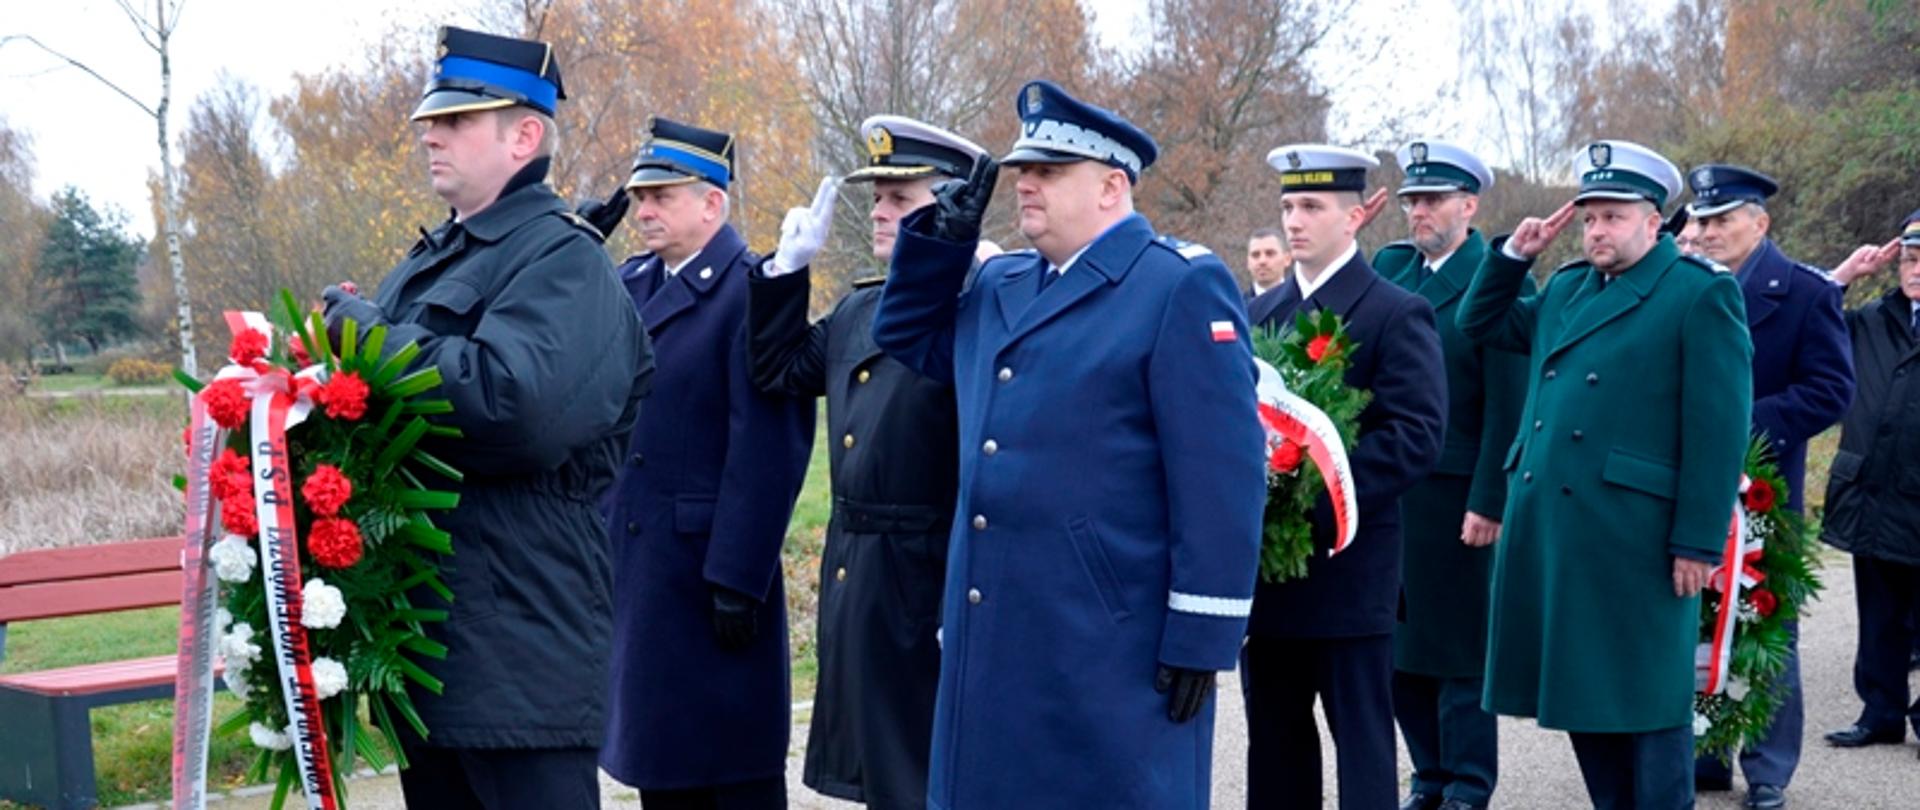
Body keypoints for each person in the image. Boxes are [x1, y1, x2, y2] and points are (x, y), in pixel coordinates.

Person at [870, 79, 1264, 809]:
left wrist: (1203, 635)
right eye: (1023, 171)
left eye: (1048, 172)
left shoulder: (1176, 286)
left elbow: (1221, 479)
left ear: (1112, 187)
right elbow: (909, 341)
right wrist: (936, 247)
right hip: (997, 625)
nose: (1025, 185)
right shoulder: (1002, 284)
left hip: (1104, 638)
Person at [319, 25, 652, 807]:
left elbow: (515, 406)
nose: (430, 133)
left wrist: (363, 334)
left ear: (524, 135)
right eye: (431, 120)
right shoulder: (433, 260)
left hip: (518, 646)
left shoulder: (563, 261)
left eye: (456, 119)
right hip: (428, 644)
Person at [1458, 140, 1752, 810]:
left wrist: (1699, 540)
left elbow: (1718, 430)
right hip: (1558, 533)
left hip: (1636, 537)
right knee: (1584, 701)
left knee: (1646, 707)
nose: (1597, 231)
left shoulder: (1699, 294)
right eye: (1590, 217)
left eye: (1613, 217)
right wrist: (1514, 258)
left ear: (1655, 222)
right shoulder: (1564, 288)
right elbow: (1482, 323)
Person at [748, 115, 989, 810]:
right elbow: (779, 368)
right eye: (877, 198)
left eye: (900, 199)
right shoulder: (862, 308)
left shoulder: (974, 305)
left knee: (925, 769)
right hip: (860, 568)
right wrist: (785, 275)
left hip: (928, 567)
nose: (880, 213)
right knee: (881, 772)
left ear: (948, 211)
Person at [600, 117, 815, 809]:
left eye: (662, 195)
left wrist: (737, 576)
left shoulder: (750, 291)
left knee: (728, 774)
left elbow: (768, 446)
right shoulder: (630, 284)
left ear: (712, 204)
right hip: (641, 568)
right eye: (640, 197)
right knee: (662, 771)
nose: (644, 210)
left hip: (707, 577)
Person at [1242, 144, 1447, 810]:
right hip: (1271, 580)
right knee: (1274, 750)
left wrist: (1312, 487)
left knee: (1361, 749)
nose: (1294, 221)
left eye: (1312, 206)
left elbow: (1417, 436)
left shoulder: (1394, 312)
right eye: (1288, 206)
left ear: (1355, 216)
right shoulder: (1260, 315)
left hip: (1349, 569)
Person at [1683, 163, 1854, 810]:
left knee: (1764, 628)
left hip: (1764, 487)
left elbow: (1832, 390)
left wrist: (1740, 427)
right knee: (1698, 618)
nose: (1707, 231)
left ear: (1761, 222)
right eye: (1701, 219)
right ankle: (1706, 748)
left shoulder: (1806, 292)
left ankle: (1768, 769)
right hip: (1692, 487)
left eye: (1723, 219)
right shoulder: (1684, 285)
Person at [1371, 140, 1528, 810]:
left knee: (1459, 650)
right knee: (1397, 644)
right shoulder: (1391, 268)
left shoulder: (1495, 279)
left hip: (1458, 490)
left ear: (1470, 205)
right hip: (1388, 489)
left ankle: (1467, 781)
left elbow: (1507, 403)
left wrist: (1490, 498)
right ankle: (1427, 774)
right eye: (1412, 201)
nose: (1419, 213)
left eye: (1433, 200)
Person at [1818, 210, 1920, 757]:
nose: (1916, 268)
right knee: (1878, 613)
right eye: (1910, 257)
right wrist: (1844, 275)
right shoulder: (1871, 319)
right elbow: (1806, 318)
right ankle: (1880, 713)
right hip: (1872, 492)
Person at [1246, 227, 1291, 301]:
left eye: (1270, 254)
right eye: (1255, 255)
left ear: (1287, 259)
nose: (1262, 261)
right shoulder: (1237, 308)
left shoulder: (1304, 306)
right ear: (1248, 262)